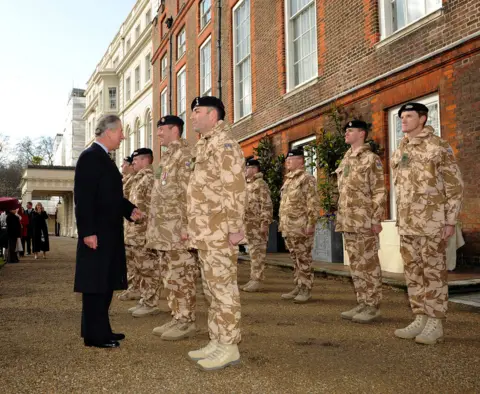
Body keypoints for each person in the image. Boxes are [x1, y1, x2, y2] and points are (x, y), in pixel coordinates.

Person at [391, 103, 464, 345]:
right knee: (413, 273)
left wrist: (450, 220)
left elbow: (455, 185)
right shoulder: (401, 147)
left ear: (422, 119)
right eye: (402, 116)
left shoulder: (438, 146)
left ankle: (435, 322)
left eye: (409, 116)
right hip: (408, 223)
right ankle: (420, 317)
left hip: (432, 222)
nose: (403, 120)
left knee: (433, 273)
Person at [187, 96, 246, 371]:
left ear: (213, 115)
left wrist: (235, 227)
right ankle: (217, 339)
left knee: (223, 290)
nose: (193, 117)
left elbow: (234, 188)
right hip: (206, 230)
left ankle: (230, 345)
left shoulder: (224, 144)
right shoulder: (206, 144)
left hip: (220, 230)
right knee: (211, 289)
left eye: (197, 111)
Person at [74, 114, 142, 349]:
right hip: (97, 234)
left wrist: (129, 209)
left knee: (103, 283)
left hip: (109, 232)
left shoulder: (103, 157)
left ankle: (101, 329)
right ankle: (95, 336)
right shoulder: (90, 157)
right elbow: (83, 198)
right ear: (109, 132)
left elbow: (110, 195)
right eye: (121, 131)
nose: (123, 136)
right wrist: (88, 232)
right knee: (95, 285)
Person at [147, 115, 198, 341]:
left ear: (175, 130)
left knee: (182, 275)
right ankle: (177, 316)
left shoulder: (185, 155)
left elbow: (191, 193)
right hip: (164, 232)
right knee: (170, 276)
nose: (158, 134)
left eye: (162, 130)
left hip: (178, 230)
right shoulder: (166, 158)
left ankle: (186, 321)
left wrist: (188, 226)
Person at [335, 120, 387, 323]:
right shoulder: (346, 159)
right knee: (356, 263)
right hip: (348, 220)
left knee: (369, 263)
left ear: (362, 134)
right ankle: (363, 301)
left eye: (350, 130)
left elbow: (379, 191)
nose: (346, 133)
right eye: (346, 130)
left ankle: (373, 305)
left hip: (364, 220)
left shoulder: (371, 159)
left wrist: (376, 218)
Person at [279, 147, 320, 303]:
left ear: (301, 161)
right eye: (287, 159)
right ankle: (298, 285)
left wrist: (311, 223)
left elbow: (313, 203)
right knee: (295, 258)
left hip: (301, 226)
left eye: (291, 159)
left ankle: (306, 289)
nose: (287, 162)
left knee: (304, 259)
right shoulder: (289, 180)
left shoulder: (307, 179)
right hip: (289, 226)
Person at [123, 148, 158, 318]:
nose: (133, 163)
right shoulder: (139, 180)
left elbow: (154, 208)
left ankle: (150, 302)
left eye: (136, 160)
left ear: (145, 160)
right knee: (140, 268)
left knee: (148, 268)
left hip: (144, 233)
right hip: (134, 232)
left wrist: (150, 231)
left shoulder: (149, 179)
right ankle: (144, 299)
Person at [241, 158, 273, 293]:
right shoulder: (248, 185)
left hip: (257, 224)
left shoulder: (261, 184)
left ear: (254, 169)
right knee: (253, 253)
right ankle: (253, 278)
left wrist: (264, 223)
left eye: (247, 168)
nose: (245, 170)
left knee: (258, 253)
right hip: (249, 225)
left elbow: (267, 204)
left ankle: (257, 280)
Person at [118, 154, 140, 301]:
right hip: (128, 226)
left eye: (124, 164)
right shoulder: (126, 181)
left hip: (136, 228)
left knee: (140, 263)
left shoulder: (135, 180)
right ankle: (133, 287)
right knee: (131, 261)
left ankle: (139, 290)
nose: (122, 167)